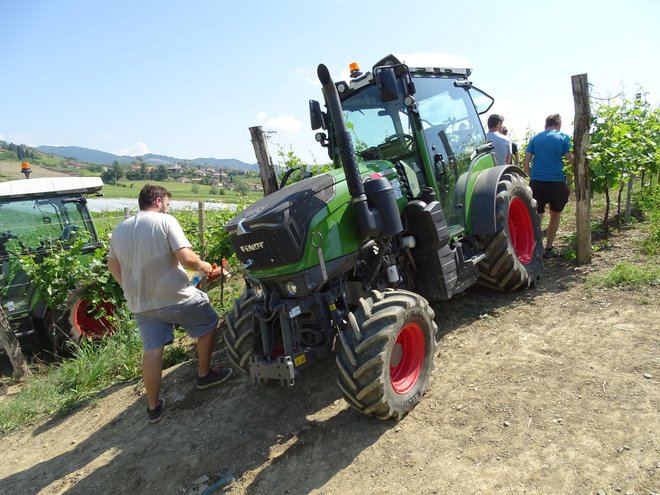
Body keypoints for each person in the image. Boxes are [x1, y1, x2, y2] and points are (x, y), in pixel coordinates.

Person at [107, 185, 232, 424]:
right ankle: (204, 375)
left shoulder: (120, 228)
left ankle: (153, 407)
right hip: (174, 297)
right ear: (157, 200)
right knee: (209, 321)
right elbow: (186, 257)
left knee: (152, 351)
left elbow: (113, 266)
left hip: (140, 304)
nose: (168, 208)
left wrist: (129, 286)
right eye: (167, 203)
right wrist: (205, 267)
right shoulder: (165, 222)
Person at [523, 114, 573, 258]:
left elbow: (526, 161)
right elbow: (569, 161)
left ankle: (534, 248)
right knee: (555, 214)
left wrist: (532, 175)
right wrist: (568, 183)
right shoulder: (563, 138)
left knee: (537, 214)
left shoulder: (536, 138)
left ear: (546, 125)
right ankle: (549, 248)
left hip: (537, 181)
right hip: (557, 181)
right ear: (559, 125)